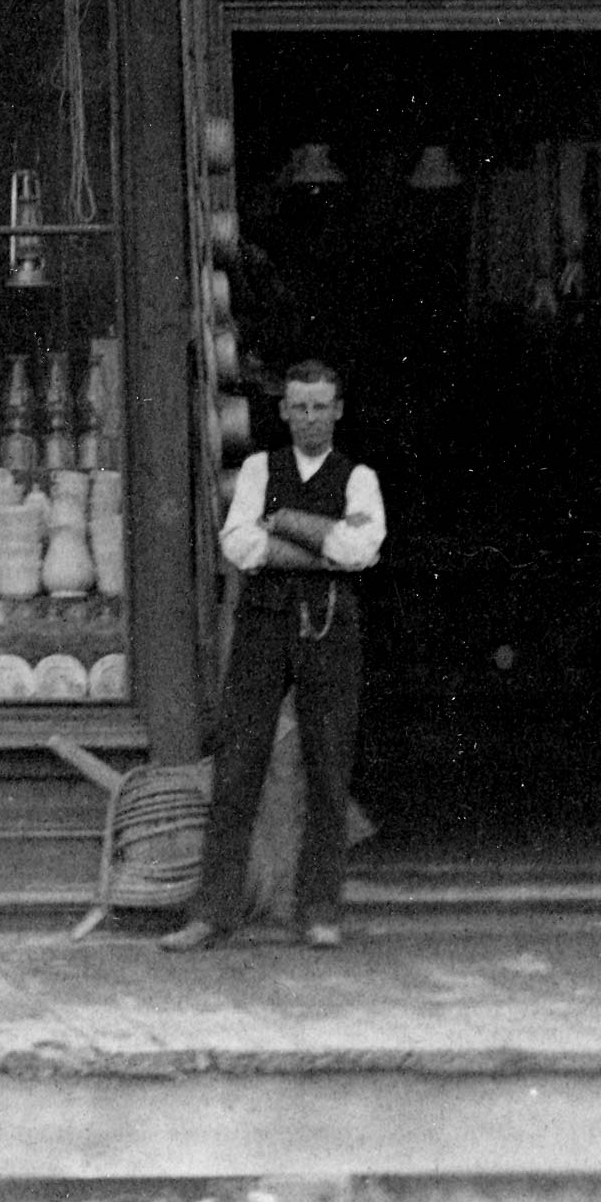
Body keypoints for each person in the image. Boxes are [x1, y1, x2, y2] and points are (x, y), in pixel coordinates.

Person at [169, 358, 386, 953]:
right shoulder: (260, 468)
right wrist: (322, 547)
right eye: (300, 406)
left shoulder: (358, 477)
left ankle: (318, 912)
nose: (310, 417)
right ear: (285, 410)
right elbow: (239, 543)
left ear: (337, 410)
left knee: (328, 767)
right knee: (238, 767)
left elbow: (363, 547)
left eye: (321, 406)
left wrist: (287, 523)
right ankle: (212, 913)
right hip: (263, 628)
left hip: (331, 630)